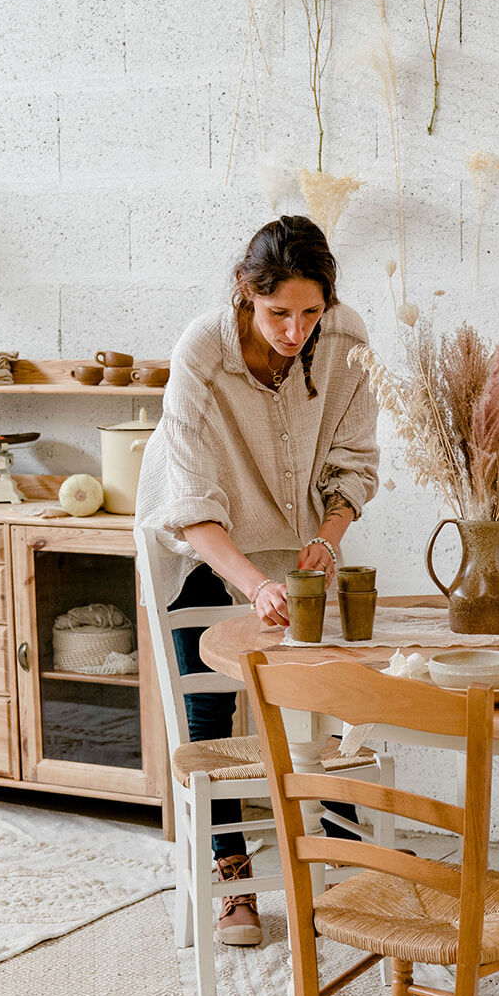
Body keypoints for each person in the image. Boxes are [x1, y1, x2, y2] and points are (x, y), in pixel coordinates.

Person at [136, 215, 379, 947]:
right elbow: (193, 500)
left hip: (296, 536)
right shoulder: (203, 351)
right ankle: (231, 880)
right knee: (212, 712)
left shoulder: (344, 338)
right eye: (279, 313)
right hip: (203, 541)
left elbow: (354, 457)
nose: (295, 330)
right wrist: (251, 582)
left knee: (327, 700)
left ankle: (346, 863)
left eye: (310, 312)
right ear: (247, 292)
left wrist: (325, 541)